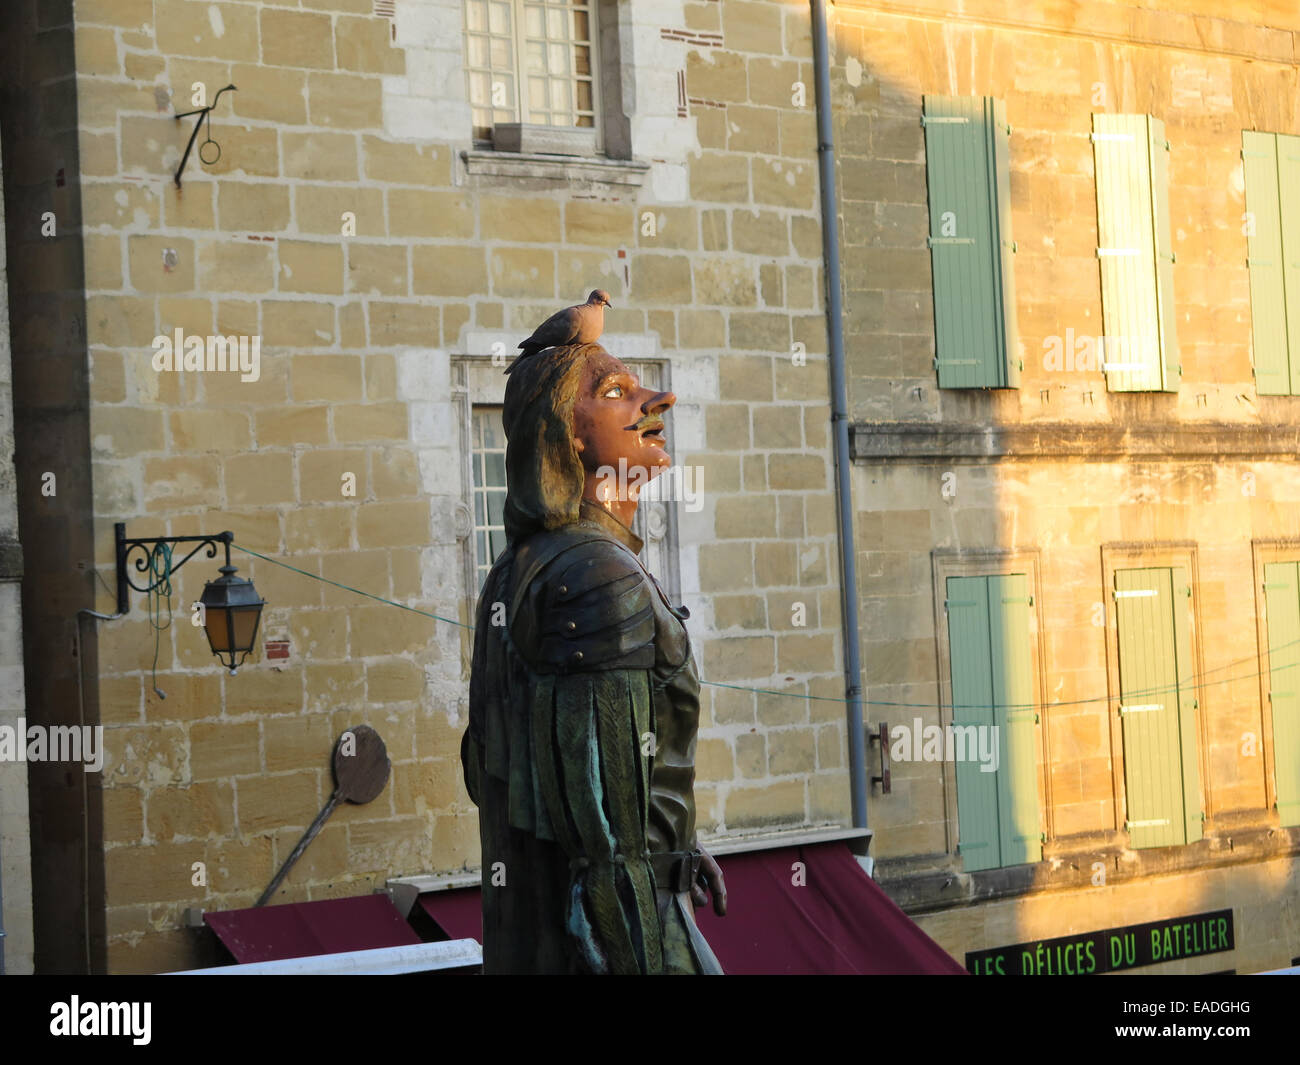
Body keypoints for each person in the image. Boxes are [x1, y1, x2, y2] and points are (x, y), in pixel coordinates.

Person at [461, 340, 726, 974]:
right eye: (615, 394)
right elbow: (602, 841)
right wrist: (647, 885)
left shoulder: (520, 568)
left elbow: (500, 770)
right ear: (566, 436)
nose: (656, 401)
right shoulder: (598, 576)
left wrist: (676, 842)